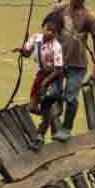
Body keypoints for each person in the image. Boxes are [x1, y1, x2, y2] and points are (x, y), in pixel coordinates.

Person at [53, 0, 95, 142]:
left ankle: (66, 128)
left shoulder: (90, 17)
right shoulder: (60, 9)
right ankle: (54, 124)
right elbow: (48, 29)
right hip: (58, 62)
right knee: (52, 93)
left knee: (71, 97)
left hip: (77, 64)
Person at [15, 11, 65, 142]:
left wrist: (45, 83)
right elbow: (27, 53)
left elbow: (59, 70)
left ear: (57, 34)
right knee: (32, 107)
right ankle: (51, 117)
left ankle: (41, 133)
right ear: (43, 26)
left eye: (53, 32)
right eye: (48, 29)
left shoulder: (56, 47)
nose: (50, 33)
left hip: (54, 76)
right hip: (41, 74)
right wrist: (22, 51)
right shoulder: (35, 38)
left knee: (46, 103)